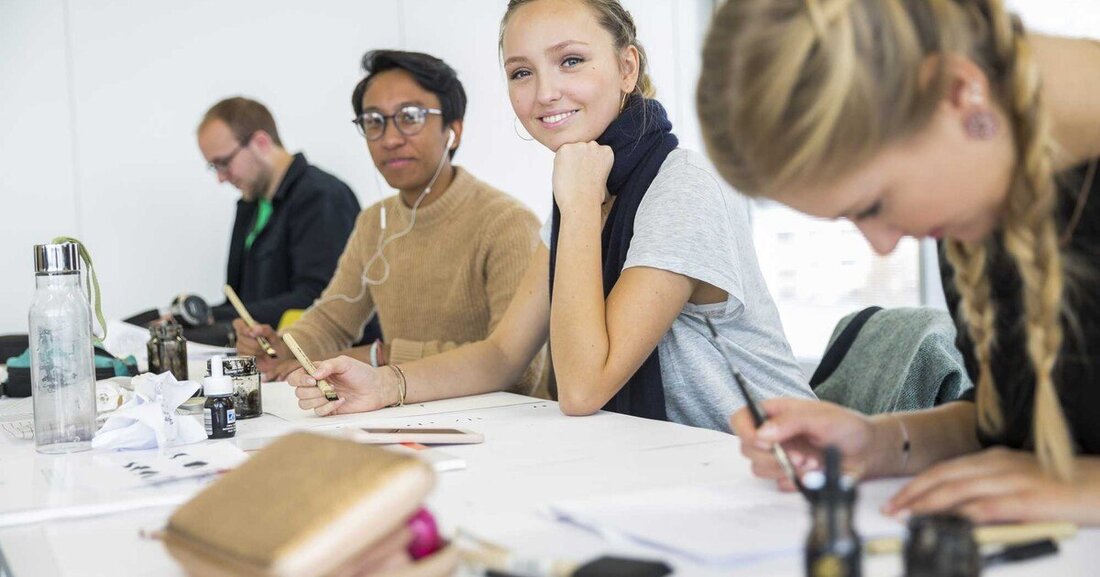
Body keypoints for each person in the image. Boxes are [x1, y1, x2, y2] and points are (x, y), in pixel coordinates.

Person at [288, 0, 811, 432]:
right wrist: (383, 384)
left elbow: (583, 388)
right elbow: (501, 354)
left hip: (783, 470)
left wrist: (579, 206)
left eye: (571, 61)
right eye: (522, 72)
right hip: (675, 463)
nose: (544, 93)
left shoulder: (678, 187)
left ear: (627, 67)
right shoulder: (587, 186)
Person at [698, 0, 1100, 524]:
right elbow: (1011, 423)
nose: (884, 244)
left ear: (959, 92)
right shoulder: (979, 191)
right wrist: (880, 442)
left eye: (873, 206)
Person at [236, 50, 548, 393]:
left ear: (453, 131)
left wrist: (382, 356)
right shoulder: (375, 222)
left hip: (500, 423)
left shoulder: (507, 224)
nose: (390, 138)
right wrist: (282, 346)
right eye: (374, 121)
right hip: (403, 414)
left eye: (410, 117)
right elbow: (333, 317)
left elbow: (520, 371)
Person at [196, 97, 363, 328]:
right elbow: (239, 303)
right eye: (214, 167)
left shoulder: (323, 196)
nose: (221, 177)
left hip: (313, 356)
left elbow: (318, 298)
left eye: (223, 163)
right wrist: (195, 317)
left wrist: (213, 318)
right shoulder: (250, 206)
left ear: (261, 143)